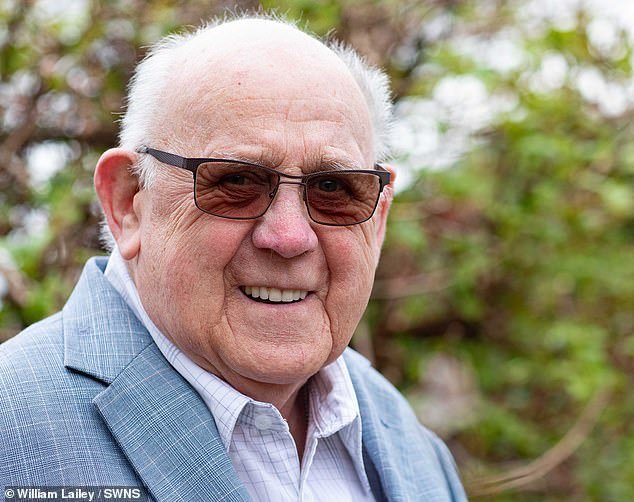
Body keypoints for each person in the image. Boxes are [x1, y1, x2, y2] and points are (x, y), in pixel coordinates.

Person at [0, 15, 466, 502]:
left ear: (378, 219)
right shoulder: (13, 427)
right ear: (128, 202)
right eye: (237, 182)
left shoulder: (411, 447)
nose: (289, 238)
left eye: (333, 188)